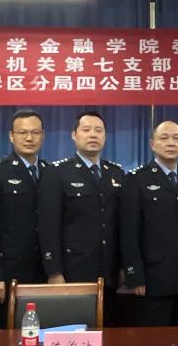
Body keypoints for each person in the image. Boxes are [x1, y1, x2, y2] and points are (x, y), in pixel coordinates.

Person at [38, 111, 124, 320]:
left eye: (98, 130)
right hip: (73, 271)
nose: (93, 135)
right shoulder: (57, 173)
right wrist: (54, 271)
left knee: (110, 331)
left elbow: (122, 225)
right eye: (86, 130)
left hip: (110, 272)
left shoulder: (116, 173)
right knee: (75, 328)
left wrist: (123, 267)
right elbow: (48, 226)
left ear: (105, 136)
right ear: (74, 135)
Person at [0, 109, 48, 328]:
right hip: (7, 273)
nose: (29, 138)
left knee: (40, 332)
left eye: (35, 132)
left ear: (42, 136)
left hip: (42, 271)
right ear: (11, 136)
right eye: (22, 132)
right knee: (5, 335)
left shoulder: (49, 171)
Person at [120, 120, 178, 326]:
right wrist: (134, 275)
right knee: (155, 338)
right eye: (164, 138)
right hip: (153, 279)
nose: (171, 143)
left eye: (176, 138)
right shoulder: (136, 180)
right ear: (152, 144)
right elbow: (129, 232)